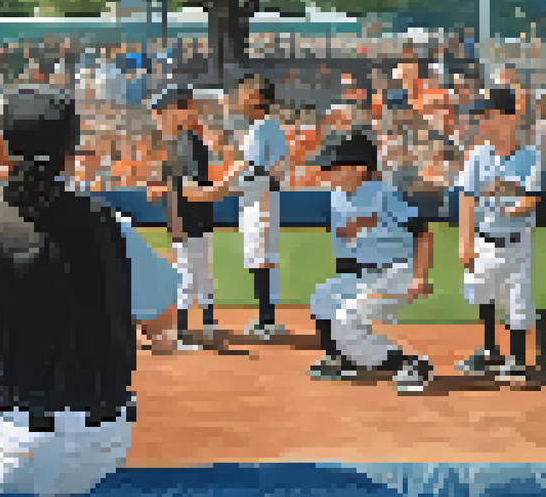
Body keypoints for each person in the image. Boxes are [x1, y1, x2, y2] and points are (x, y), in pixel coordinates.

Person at [0, 87, 177, 495]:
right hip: (105, 443)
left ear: (0, 151)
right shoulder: (111, 226)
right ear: (71, 157)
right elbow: (163, 328)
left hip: (19, 445)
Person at [306, 132, 436, 393]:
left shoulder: (386, 194)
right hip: (366, 275)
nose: (328, 172)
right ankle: (341, 359)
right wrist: (344, 290)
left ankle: (409, 364)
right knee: (322, 297)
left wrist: (419, 277)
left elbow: (423, 233)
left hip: (398, 273)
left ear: (359, 169)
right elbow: (344, 251)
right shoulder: (337, 197)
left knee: (346, 319)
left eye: (334, 166)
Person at [455, 88, 541, 383]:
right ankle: (490, 350)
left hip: (516, 243)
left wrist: (507, 206)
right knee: (483, 292)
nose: (483, 124)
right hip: (483, 239)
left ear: (509, 118)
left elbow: (531, 200)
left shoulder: (531, 157)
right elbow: (466, 197)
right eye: (481, 118)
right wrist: (464, 241)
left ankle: (517, 359)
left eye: (488, 116)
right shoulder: (478, 155)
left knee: (517, 300)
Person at [146, 87, 221, 349]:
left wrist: (165, 188)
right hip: (191, 217)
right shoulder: (182, 141)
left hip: (189, 218)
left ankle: (182, 331)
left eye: (164, 110)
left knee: (189, 275)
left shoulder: (187, 142)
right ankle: (208, 325)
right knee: (199, 274)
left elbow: (188, 186)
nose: (159, 116)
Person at [216, 74, 289, 341]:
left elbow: (262, 170)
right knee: (259, 258)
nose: (238, 98)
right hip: (258, 197)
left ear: (257, 98)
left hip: (262, 199)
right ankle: (266, 319)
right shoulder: (261, 127)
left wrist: (224, 187)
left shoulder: (263, 128)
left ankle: (267, 322)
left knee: (262, 259)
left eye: (243, 93)